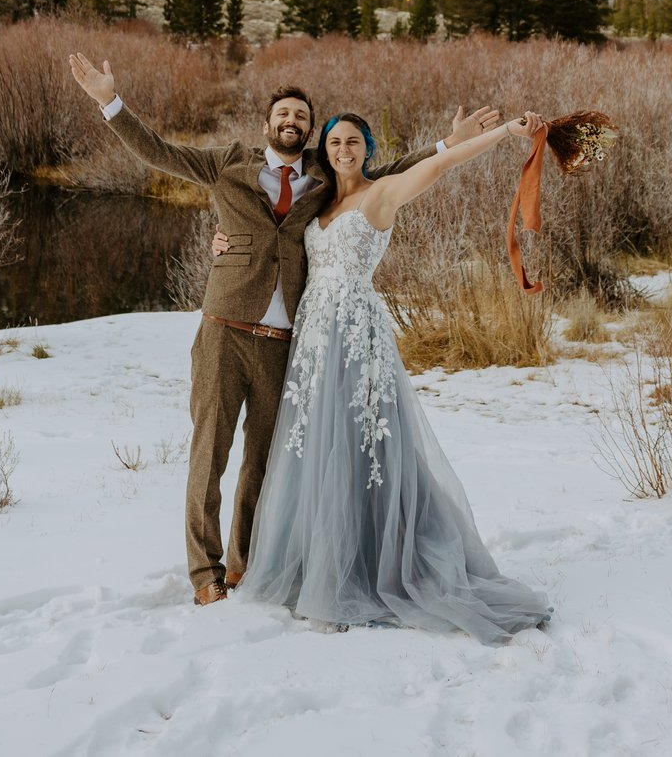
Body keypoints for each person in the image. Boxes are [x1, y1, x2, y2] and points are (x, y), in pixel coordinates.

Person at [67, 51, 504, 607]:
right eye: (283, 114)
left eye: (302, 116)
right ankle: (206, 573)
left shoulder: (324, 181)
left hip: (287, 343)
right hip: (224, 328)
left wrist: (448, 144)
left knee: (265, 461)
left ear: (311, 132)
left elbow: (384, 176)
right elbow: (159, 152)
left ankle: (247, 563)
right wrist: (110, 101)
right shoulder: (227, 164)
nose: (292, 121)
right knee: (209, 453)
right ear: (267, 124)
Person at [226, 109, 553, 642]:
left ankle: (364, 569)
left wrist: (506, 134)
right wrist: (225, 241)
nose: (343, 150)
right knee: (318, 448)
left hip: (356, 335)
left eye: (353, 141)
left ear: (367, 148)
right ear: (325, 150)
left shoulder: (381, 194)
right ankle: (318, 563)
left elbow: (444, 164)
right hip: (314, 340)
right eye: (334, 142)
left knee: (360, 445)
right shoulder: (318, 201)